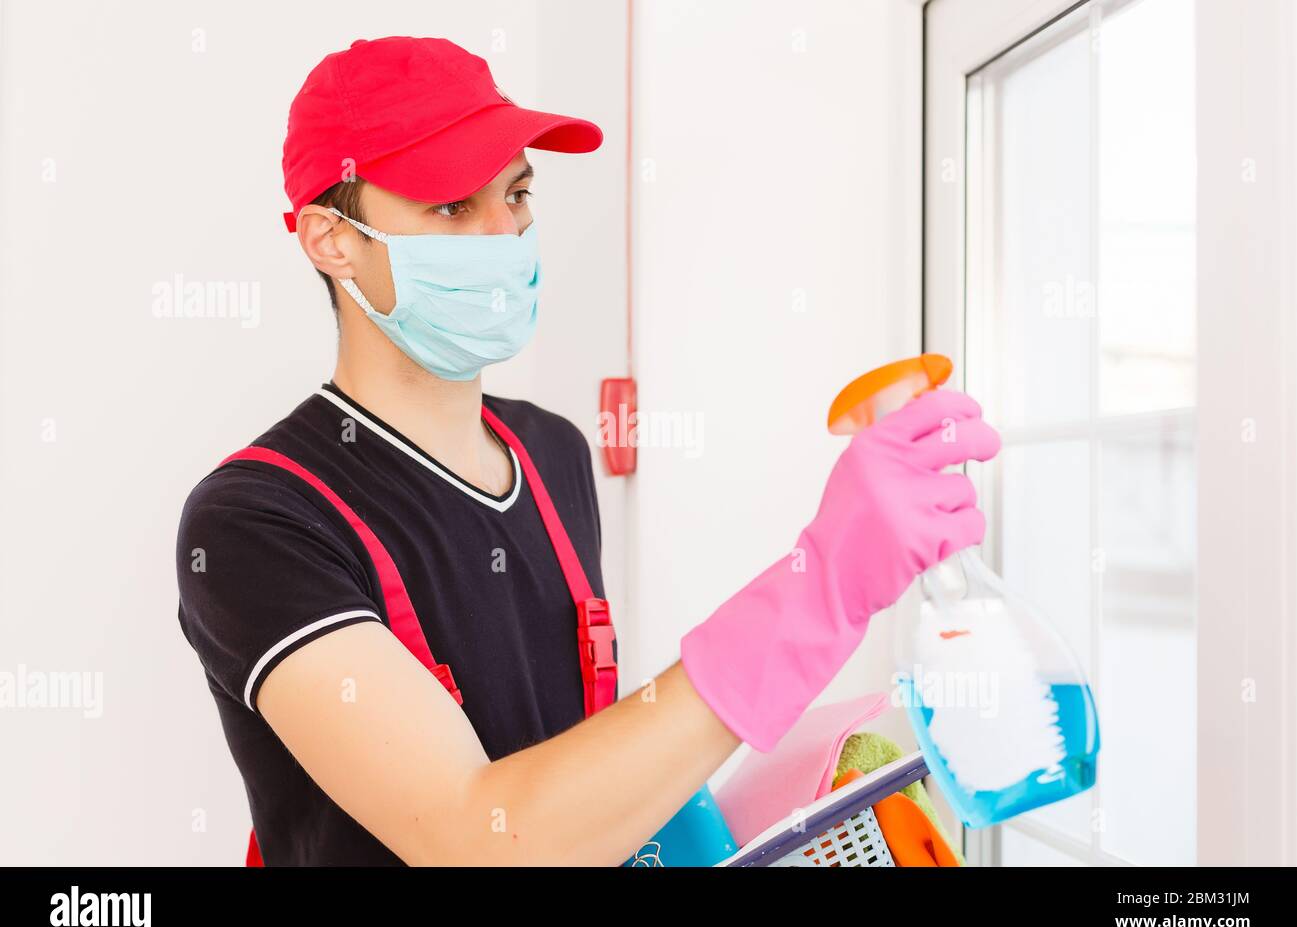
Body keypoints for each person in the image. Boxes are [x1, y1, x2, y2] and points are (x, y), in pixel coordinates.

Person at [174, 35, 1000, 866]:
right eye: (455, 206)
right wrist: (818, 588)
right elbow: (474, 837)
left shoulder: (551, 451)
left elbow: (580, 785)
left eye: (518, 192)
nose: (507, 234)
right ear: (331, 240)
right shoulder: (256, 523)